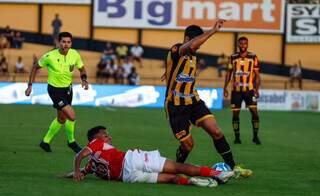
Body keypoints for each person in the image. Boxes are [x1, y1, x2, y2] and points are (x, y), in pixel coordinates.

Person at [161, 20, 252, 177]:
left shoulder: (193, 56)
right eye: (198, 41)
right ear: (188, 38)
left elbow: (181, 68)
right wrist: (212, 31)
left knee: (216, 131)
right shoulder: (177, 49)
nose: (199, 46)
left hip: (194, 102)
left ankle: (232, 167)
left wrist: (169, 73)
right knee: (188, 145)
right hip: (176, 106)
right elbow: (189, 47)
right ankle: (176, 169)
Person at [64, 126, 235, 187]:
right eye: (106, 134)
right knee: (178, 167)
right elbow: (80, 154)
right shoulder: (95, 144)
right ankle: (218, 173)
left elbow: (81, 170)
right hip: (132, 160)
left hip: (128, 177)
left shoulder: (91, 166)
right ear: (97, 138)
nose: (109, 137)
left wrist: (74, 173)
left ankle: (192, 182)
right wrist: (75, 168)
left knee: (170, 178)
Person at [25, 32, 89, 153]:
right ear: (59, 43)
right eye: (63, 42)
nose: (66, 44)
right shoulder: (50, 56)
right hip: (55, 90)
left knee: (61, 119)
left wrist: (84, 79)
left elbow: (81, 68)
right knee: (72, 116)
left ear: (71, 43)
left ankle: (45, 142)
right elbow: (35, 67)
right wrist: (30, 86)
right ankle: (72, 142)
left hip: (68, 89)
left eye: (68, 42)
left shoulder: (74, 54)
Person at [223, 37, 261, 145]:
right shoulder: (233, 57)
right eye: (241, 43)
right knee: (235, 114)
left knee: (255, 113)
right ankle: (237, 137)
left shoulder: (253, 57)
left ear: (247, 45)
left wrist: (257, 89)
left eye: (245, 43)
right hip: (236, 91)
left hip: (250, 91)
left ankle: (255, 137)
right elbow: (229, 73)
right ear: (238, 45)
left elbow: (257, 75)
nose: (243, 45)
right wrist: (225, 87)